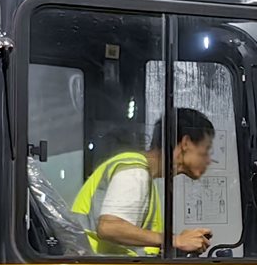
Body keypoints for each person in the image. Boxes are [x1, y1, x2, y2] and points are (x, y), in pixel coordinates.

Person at [69, 108, 216, 256]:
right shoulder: (134, 173)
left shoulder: (144, 177)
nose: (209, 160)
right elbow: (109, 227)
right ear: (186, 143)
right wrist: (175, 240)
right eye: (206, 149)